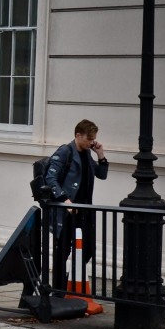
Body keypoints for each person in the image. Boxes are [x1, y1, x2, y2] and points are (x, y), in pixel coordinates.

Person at [43, 118, 109, 291]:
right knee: (62, 252)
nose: (91, 142)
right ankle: (58, 290)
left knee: (88, 250)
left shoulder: (87, 153)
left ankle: (69, 283)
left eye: (93, 138)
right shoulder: (65, 152)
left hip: (85, 211)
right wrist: (65, 200)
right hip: (67, 213)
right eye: (89, 138)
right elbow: (50, 178)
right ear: (78, 135)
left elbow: (102, 175)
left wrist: (100, 154)